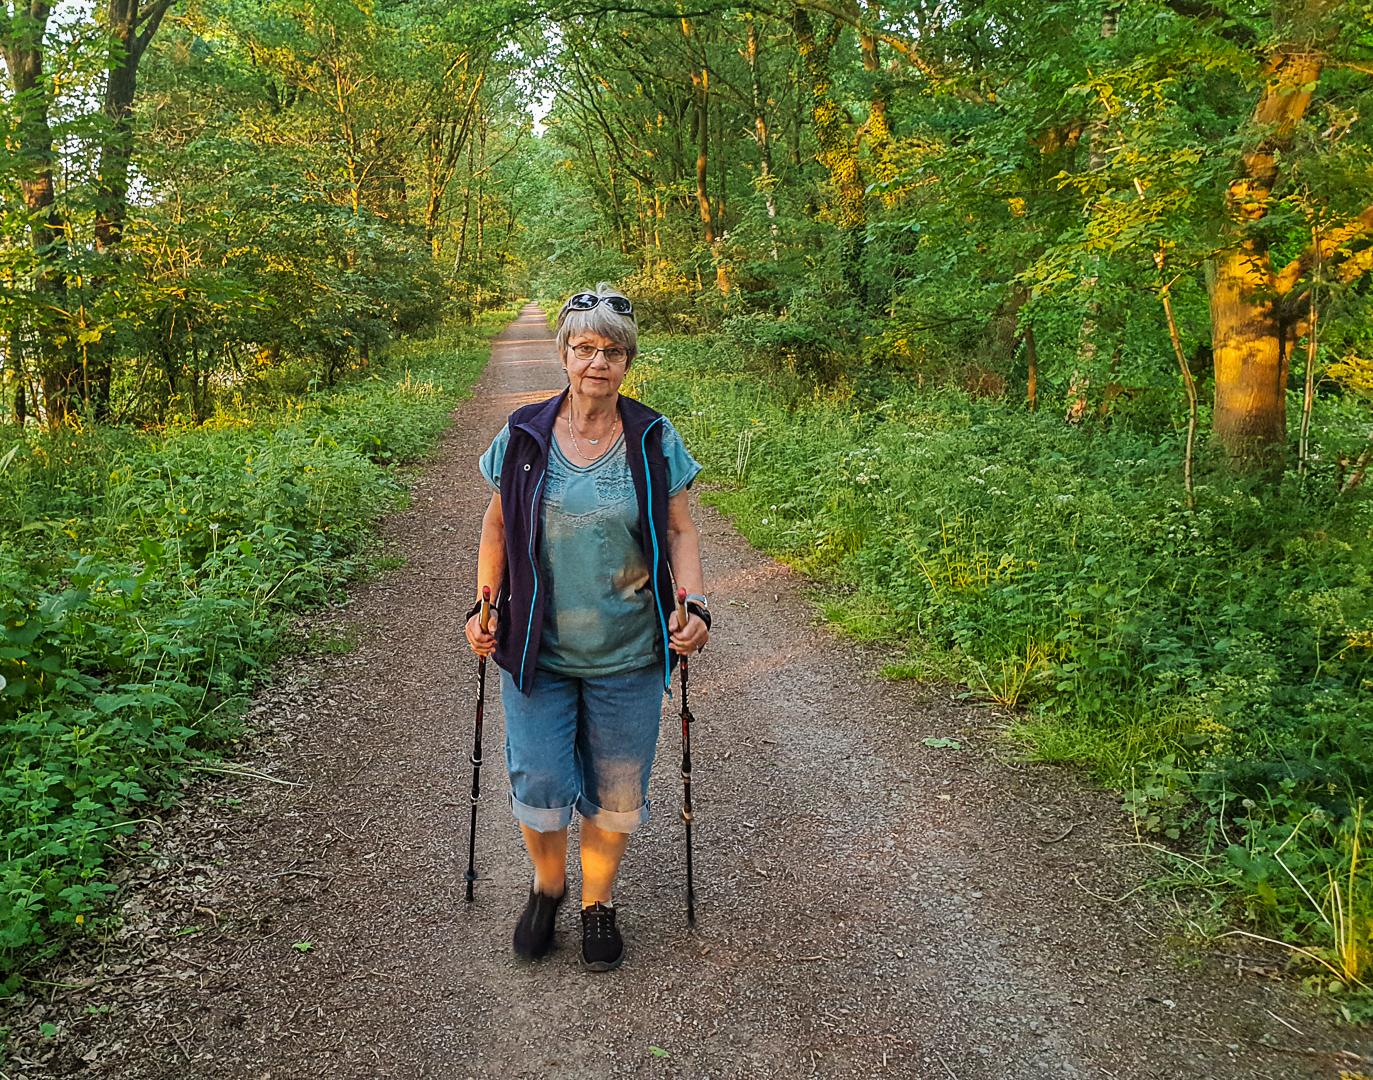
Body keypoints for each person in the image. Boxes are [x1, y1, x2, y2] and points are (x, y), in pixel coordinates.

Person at [465, 283, 710, 972]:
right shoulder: (523, 434)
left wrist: (692, 605)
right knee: (539, 782)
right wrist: (483, 604)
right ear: (565, 355)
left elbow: (680, 530)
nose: (597, 361)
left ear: (627, 361)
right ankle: (548, 887)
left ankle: (597, 901)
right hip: (536, 649)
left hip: (628, 651)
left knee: (618, 790)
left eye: (612, 351)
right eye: (584, 347)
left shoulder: (654, 438)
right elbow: (495, 526)